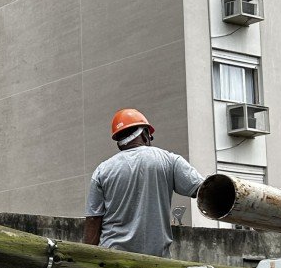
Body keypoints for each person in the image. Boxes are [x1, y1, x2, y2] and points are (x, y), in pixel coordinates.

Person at [83, 108, 204, 257]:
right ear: (145, 134)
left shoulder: (102, 170)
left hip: (113, 260)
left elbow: (93, 219)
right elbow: (204, 189)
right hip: (156, 263)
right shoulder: (169, 161)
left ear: (119, 142)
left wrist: (87, 260)